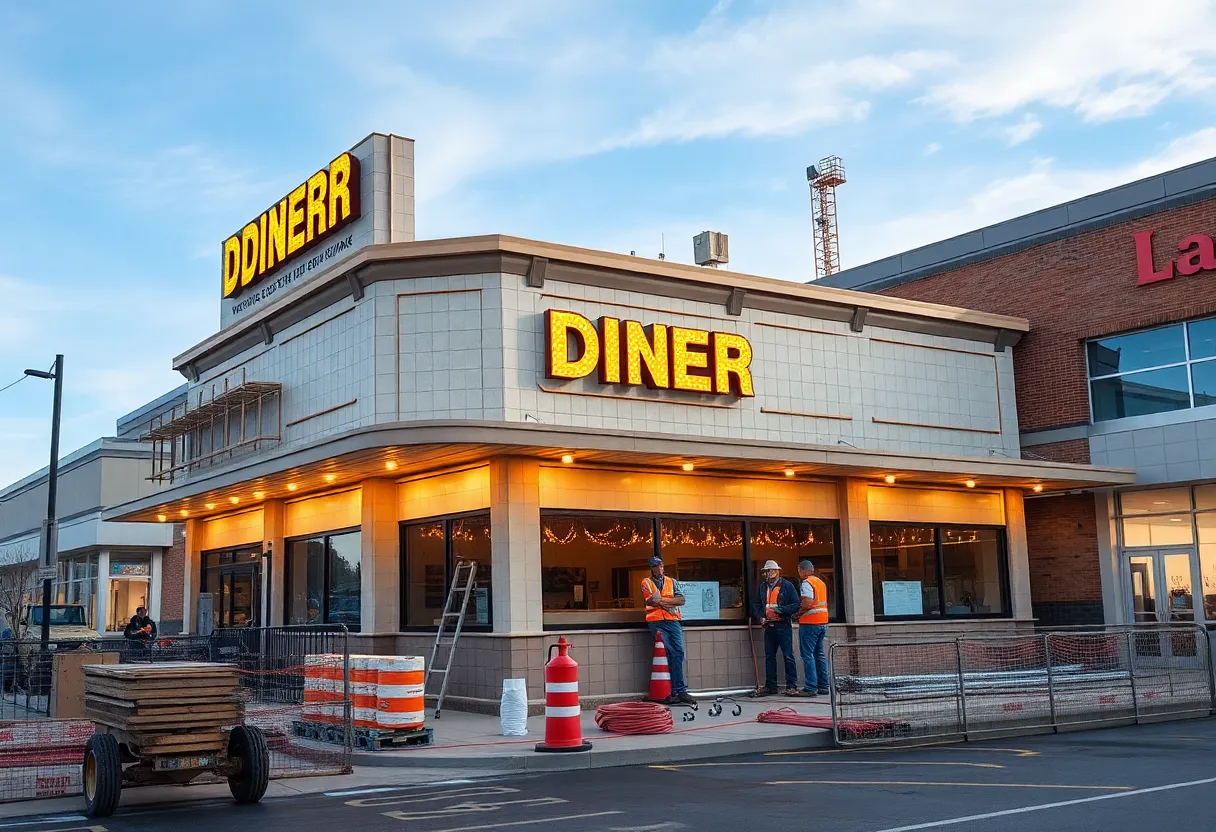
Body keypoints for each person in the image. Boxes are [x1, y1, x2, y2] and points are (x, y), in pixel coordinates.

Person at [641, 556, 694, 705]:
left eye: (660, 566)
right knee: (670, 651)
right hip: (656, 621)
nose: (659, 569)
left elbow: (681, 600)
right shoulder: (647, 582)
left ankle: (680, 690)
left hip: (673, 620)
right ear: (651, 568)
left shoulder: (672, 582)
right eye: (655, 566)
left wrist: (662, 601)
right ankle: (677, 690)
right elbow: (651, 601)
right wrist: (670, 601)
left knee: (678, 652)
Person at [750, 560, 801, 696]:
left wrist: (781, 610)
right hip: (768, 625)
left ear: (778, 571)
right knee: (769, 657)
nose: (769, 573)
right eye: (767, 571)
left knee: (788, 656)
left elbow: (796, 604)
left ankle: (791, 685)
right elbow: (757, 604)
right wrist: (760, 616)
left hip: (782, 625)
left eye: (771, 570)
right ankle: (771, 686)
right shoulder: (763, 587)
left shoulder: (787, 586)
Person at [796, 559, 830, 697]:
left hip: (810, 623)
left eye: (799, 570)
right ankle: (823, 685)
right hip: (822, 622)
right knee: (819, 654)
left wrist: (797, 612)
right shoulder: (820, 582)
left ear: (803, 570)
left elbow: (808, 602)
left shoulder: (806, 582)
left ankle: (810, 687)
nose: (798, 573)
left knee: (807, 655)